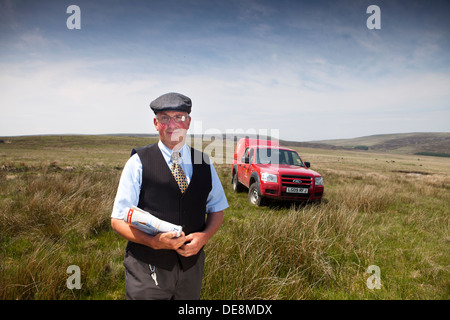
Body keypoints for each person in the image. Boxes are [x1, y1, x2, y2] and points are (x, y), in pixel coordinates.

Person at [111, 92, 228, 300]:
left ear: (188, 122)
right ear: (156, 123)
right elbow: (118, 220)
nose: (172, 125)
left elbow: (216, 209)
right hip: (147, 269)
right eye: (165, 118)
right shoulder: (138, 162)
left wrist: (204, 237)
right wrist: (153, 242)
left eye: (179, 117)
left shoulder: (204, 163)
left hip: (191, 269)